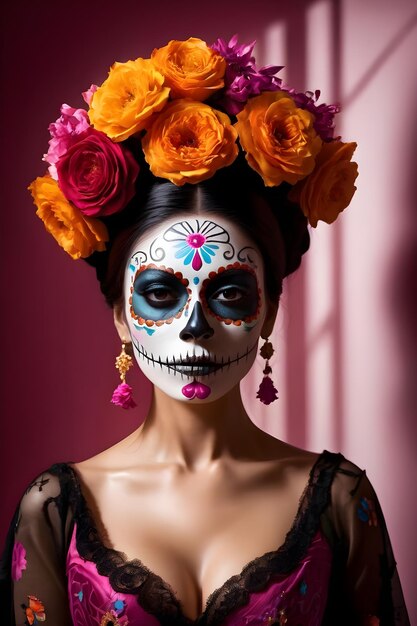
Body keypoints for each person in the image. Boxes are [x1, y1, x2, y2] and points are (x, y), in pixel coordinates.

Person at [0, 36, 409, 625]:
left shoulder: (342, 502)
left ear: (268, 310)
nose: (195, 328)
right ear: (119, 312)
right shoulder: (55, 510)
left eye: (230, 293)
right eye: (162, 294)